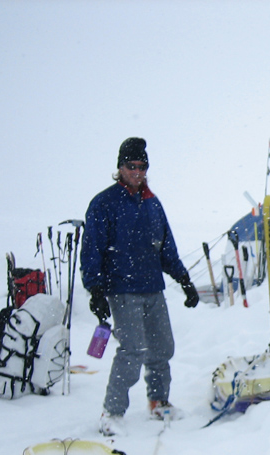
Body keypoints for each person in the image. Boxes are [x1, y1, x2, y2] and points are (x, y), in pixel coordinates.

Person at [81, 137, 199, 436]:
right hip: (121, 289)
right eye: (131, 166)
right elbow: (92, 250)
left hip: (152, 287)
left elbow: (166, 248)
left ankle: (158, 403)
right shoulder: (103, 203)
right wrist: (95, 289)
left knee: (162, 348)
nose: (137, 172)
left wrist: (185, 281)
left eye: (142, 166)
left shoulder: (151, 203)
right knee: (132, 350)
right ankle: (112, 412)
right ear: (120, 167)